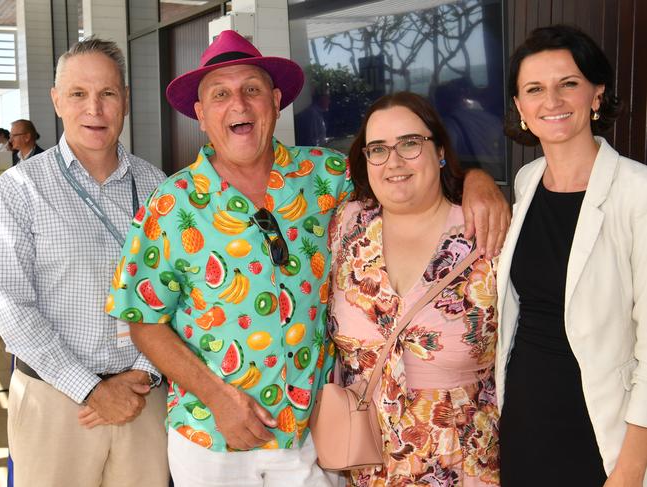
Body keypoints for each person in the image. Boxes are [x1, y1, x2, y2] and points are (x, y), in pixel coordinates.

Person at [106, 31, 508, 487]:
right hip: (211, 438)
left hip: (314, 438)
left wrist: (475, 179)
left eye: (252, 90)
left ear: (275, 102)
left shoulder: (327, 175)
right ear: (200, 114)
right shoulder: (169, 205)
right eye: (219, 94)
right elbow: (142, 319)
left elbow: (405, 182)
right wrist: (217, 397)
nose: (238, 103)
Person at [0, 37, 169, 487]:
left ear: (125, 101)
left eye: (108, 93)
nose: (94, 108)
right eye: (78, 93)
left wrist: (146, 375)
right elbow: (11, 307)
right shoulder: (18, 189)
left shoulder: (159, 187)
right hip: (56, 400)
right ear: (57, 101)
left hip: (144, 398)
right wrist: (91, 388)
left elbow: (184, 293)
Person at [496, 25, 647, 487]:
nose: (552, 101)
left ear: (596, 94)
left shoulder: (636, 194)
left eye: (569, 84)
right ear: (521, 107)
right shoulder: (527, 181)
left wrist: (630, 468)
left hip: (599, 433)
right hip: (524, 420)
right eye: (535, 89)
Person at [327, 91, 500, 486]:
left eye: (409, 144)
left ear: (439, 151)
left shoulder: (486, 233)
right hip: (365, 464)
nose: (394, 162)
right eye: (378, 149)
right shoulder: (345, 224)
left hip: (463, 464)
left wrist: (478, 178)